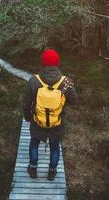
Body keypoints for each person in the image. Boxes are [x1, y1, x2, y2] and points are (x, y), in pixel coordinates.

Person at [23, 49, 76, 181]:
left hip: (37, 121)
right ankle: (52, 172)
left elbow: (26, 103)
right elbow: (74, 101)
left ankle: (33, 168)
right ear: (57, 63)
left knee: (34, 144)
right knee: (54, 147)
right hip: (57, 123)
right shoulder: (66, 82)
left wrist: (28, 117)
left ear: (42, 63)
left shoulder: (33, 80)